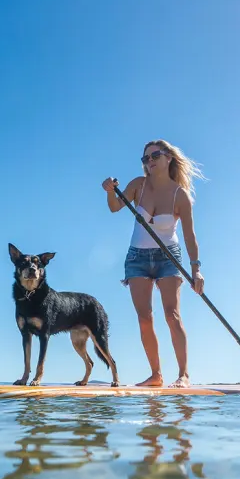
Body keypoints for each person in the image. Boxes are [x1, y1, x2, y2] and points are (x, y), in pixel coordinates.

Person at [101, 140, 205, 388]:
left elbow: (190, 235)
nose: (149, 161)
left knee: (172, 315)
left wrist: (196, 269)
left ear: (168, 157)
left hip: (169, 258)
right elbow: (115, 207)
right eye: (145, 158)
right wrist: (108, 191)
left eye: (154, 155)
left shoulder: (181, 196)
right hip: (137, 259)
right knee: (144, 318)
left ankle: (183, 375)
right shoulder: (139, 185)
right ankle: (156, 375)